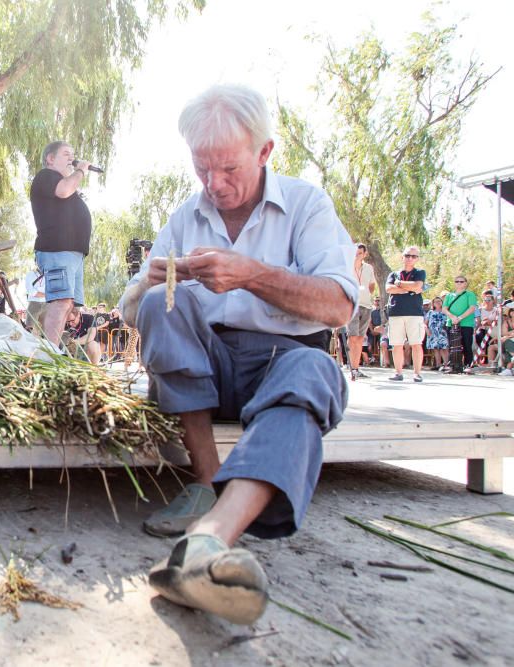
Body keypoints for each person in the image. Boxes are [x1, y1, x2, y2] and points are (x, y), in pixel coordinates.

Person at [119, 84, 355, 625]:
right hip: (204, 371)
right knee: (160, 302)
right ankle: (205, 481)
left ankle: (208, 539)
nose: (214, 185)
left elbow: (340, 305)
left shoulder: (306, 204)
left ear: (265, 152)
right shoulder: (185, 214)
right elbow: (132, 309)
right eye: (203, 169)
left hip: (283, 362)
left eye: (228, 169)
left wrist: (250, 275)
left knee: (315, 373)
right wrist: (148, 283)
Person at [30, 141, 93, 347]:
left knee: (68, 305)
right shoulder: (46, 177)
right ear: (50, 158)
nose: (71, 158)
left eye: (73, 154)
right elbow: (64, 190)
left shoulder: (61, 180)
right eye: (66, 154)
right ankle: (48, 356)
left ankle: (53, 351)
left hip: (73, 254)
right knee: (60, 302)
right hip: (57, 250)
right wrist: (81, 170)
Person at [385, 246, 426, 382]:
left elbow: (417, 286)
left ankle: (417, 373)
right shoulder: (393, 274)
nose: (410, 258)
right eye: (408, 255)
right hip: (396, 312)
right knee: (396, 344)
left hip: (414, 312)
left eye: (413, 256)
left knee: (416, 343)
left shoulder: (420, 272)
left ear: (417, 259)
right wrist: (407, 288)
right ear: (402, 257)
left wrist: (399, 285)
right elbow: (388, 289)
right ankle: (398, 372)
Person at [346, 243, 376, 381]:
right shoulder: (346, 266)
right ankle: (351, 367)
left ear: (365, 254)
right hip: (351, 305)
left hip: (366, 304)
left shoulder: (369, 268)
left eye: (359, 253)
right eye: (355, 253)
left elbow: (372, 285)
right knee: (352, 336)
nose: (357, 256)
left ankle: (356, 368)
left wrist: (366, 291)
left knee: (359, 338)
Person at [443, 275, 477, 369]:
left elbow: (472, 308)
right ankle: (453, 364)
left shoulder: (470, 294)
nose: (459, 283)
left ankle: (467, 364)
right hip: (451, 323)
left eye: (461, 281)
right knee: (452, 345)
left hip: (466, 323)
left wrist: (460, 318)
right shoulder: (449, 295)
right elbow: (444, 309)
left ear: (465, 283)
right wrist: (452, 317)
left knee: (466, 344)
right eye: (457, 281)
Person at [424, 296, 449, 370]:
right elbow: (424, 323)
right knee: (436, 349)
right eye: (436, 302)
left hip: (443, 332)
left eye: (439, 301)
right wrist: (427, 330)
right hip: (433, 333)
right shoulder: (430, 312)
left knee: (444, 348)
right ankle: (438, 365)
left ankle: (446, 364)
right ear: (433, 304)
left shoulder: (445, 311)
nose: (438, 303)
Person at [24, 266, 47, 333]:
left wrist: (45, 295)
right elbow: (31, 291)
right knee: (29, 329)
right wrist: (46, 295)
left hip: (47, 304)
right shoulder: (30, 274)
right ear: (36, 262)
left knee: (46, 331)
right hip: (34, 304)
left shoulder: (49, 273)